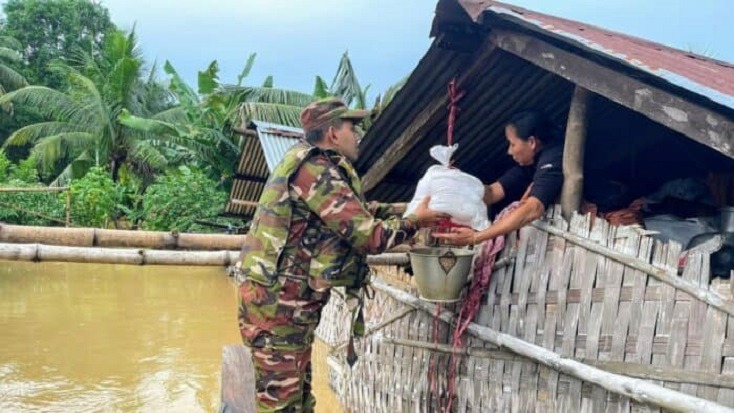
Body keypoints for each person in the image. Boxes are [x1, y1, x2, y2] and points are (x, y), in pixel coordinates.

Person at [236, 97, 448, 412]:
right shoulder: (314, 169)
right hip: (277, 309)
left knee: (298, 398)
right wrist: (414, 222)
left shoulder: (307, 163)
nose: (359, 134)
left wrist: (407, 211)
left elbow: (354, 211)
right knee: (281, 405)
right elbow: (370, 237)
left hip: (283, 306)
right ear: (333, 133)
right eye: (353, 127)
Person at [435, 110, 563, 246]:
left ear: (531, 142)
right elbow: (491, 193)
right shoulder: (529, 164)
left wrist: (477, 237)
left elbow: (533, 209)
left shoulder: (553, 158)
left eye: (513, 144)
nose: (509, 151)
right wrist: (456, 183)